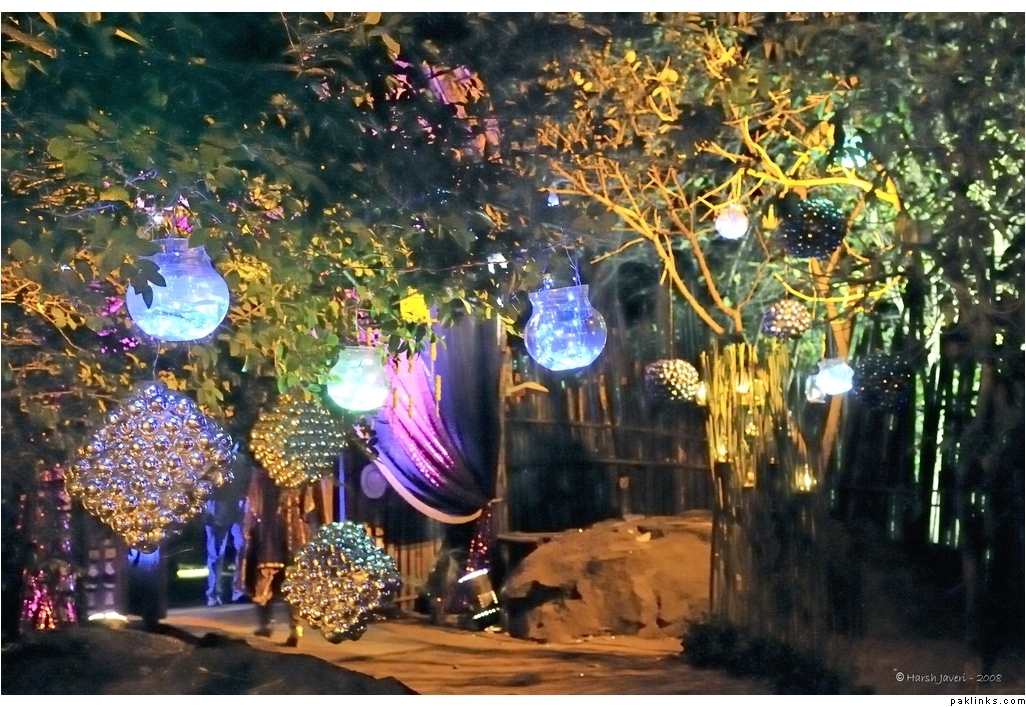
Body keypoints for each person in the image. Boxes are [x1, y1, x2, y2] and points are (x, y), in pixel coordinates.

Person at [237, 466, 319, 647]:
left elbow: (253, 507)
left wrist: (248, 529)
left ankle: (266, 625)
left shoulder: (262, 473)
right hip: (294, 534)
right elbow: (308, 507)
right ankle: (294, 629)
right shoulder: (298, 472)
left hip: (270, 534)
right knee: (291, 581)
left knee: (266, 579)